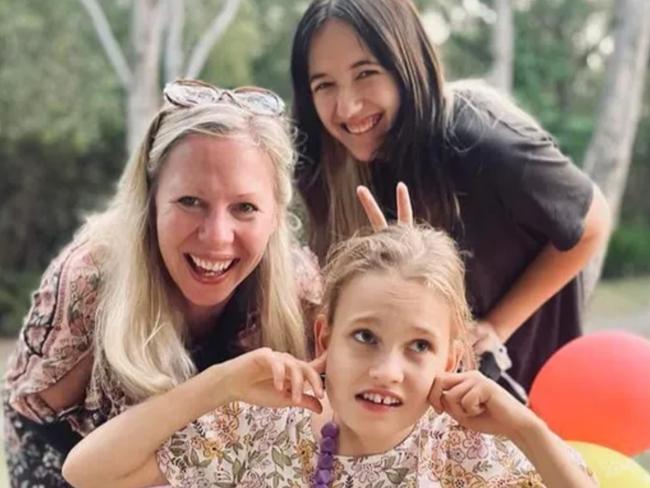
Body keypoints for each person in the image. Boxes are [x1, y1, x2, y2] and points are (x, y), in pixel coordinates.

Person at [62, 224, 596, 487]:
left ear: (451, 360)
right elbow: (86, 472)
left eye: (420, 347)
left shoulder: (470, 455)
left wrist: (525, 429)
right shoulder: (260, 431)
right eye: (364, 337)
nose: (387, 370)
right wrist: (219, 383)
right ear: (324, 340)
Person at [3, 79, 321, 487]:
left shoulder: (301, 291)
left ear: (276, 213)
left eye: (245, 207)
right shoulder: (90, 283)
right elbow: (34, 429)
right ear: (150, 200)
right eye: (190, 201)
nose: (217, 236)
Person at [289, 0, 611, 393]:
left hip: (524, 387)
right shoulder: (323, 165)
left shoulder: (483, 141)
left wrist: (497, 326)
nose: (348, 106)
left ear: (408, 64)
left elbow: (592, 222)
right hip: (418, 398)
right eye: (324, 85)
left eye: (366, 74)